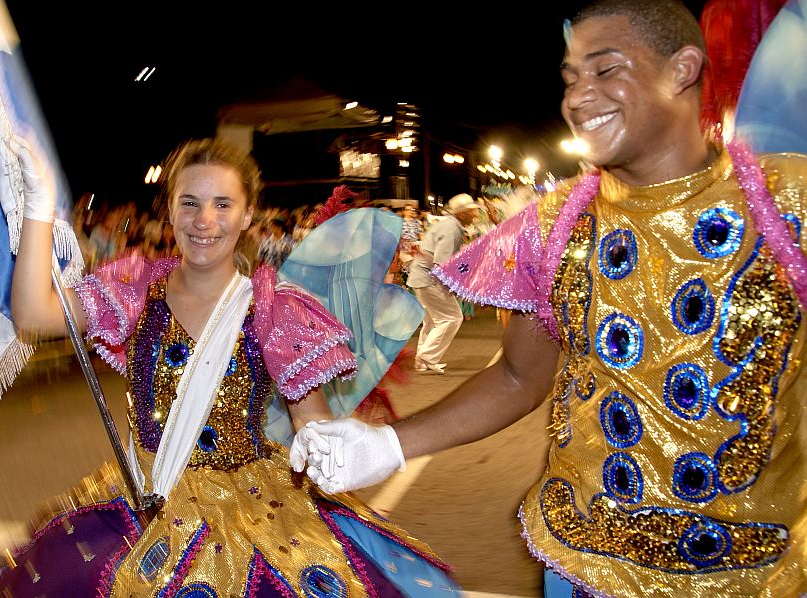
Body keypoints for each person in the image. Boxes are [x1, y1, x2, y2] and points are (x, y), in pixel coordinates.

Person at [292, 1, 807, 596]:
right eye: (570, 78)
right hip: (578, 564)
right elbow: (516, 376)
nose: (578, 97)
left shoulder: (785, 202)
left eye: (605, 69)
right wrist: (384, 446)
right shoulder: (549, 227)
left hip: (759, 574)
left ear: (681, 70)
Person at [0, 138, 458, 596]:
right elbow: (33, 315)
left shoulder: (275, 308)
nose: (204, 220)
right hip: (140, 488)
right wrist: (39, 210)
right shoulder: (135, 286)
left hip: (249, 506)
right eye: (189, 203)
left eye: (223, 204)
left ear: (248, 213)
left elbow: (311, 423)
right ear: (169, 210)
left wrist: (326, 450)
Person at [406, 193, 480, 374]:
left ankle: (422, 360)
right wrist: (451, 287)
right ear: (461, 213)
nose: (475, 215)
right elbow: (442, 263)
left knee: (433, 321)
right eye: (472, 212)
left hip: (421, 277)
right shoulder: (451, 228)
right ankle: (427, 356)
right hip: (428, 278)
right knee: (452, 318)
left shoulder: (449, 225)